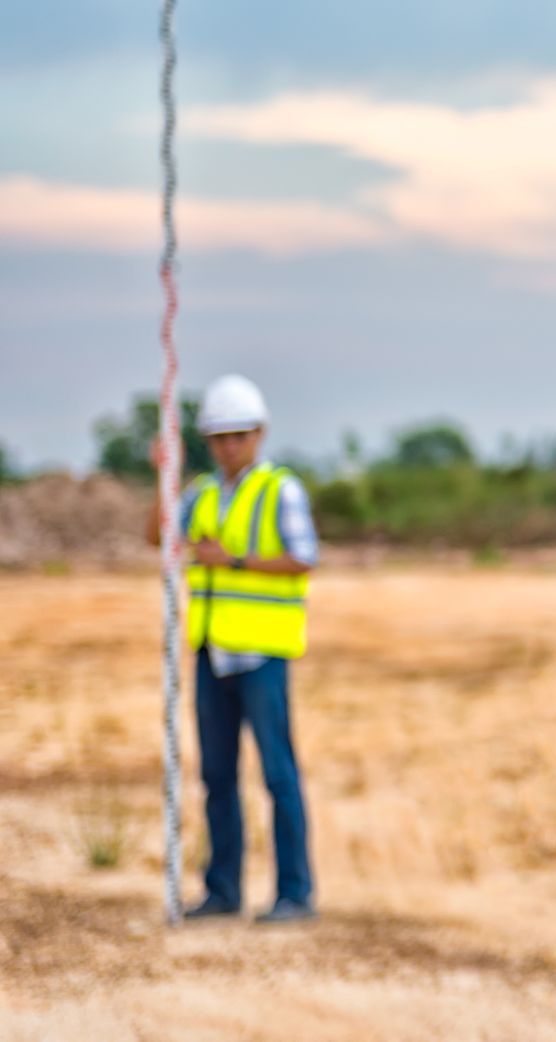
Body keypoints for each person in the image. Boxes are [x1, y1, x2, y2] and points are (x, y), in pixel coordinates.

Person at [145, 373, 318, 923]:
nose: (229, 446)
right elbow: (158, 537)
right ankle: (222, 890)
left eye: (238, 435)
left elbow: (303, 556)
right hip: (211, 650)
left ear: (259, 434)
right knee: (216, 775)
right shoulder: (198, 492)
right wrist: (162, 478)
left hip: (263, 654)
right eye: (219, 437)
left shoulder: (279, 489)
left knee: (277, 774)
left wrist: (234, 561)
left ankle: (294, 892)